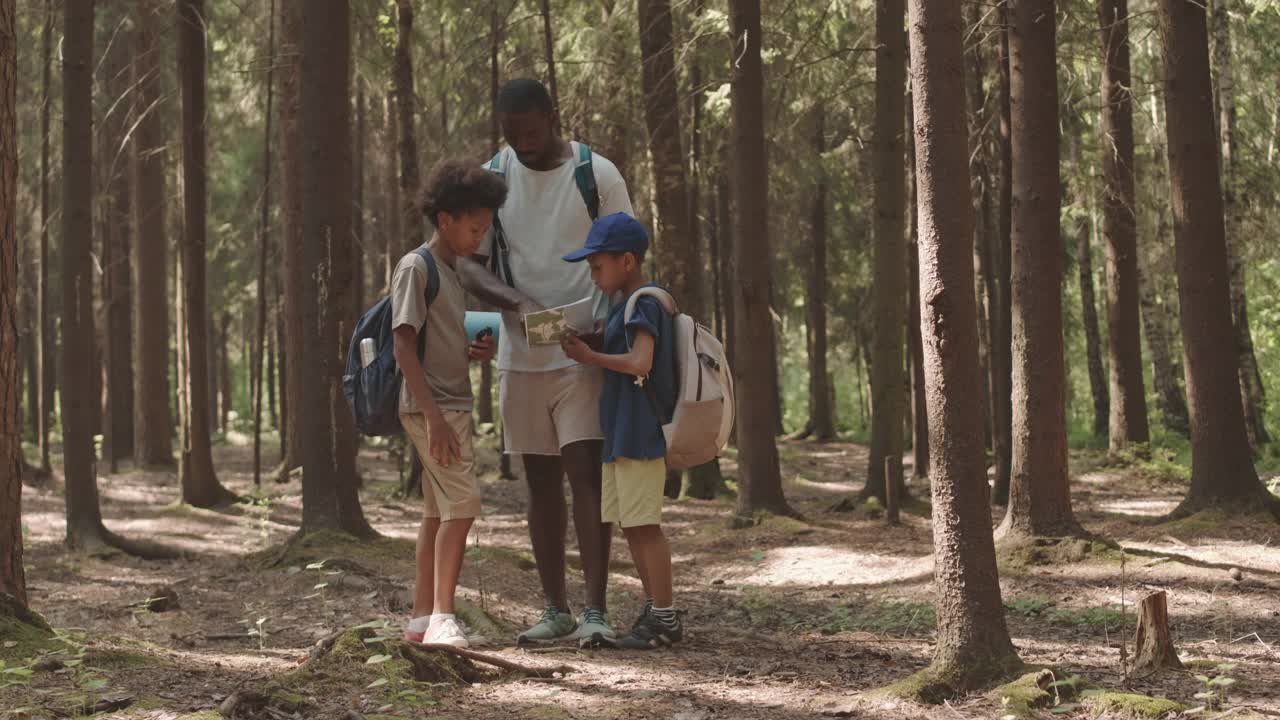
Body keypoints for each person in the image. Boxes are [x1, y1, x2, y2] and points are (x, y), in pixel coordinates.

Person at [458, 78, 635, 647]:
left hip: (583, 348)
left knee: (585, 475)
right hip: (521, 349)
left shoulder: (595, 174)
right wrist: (514, 305)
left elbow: (628, 255)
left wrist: (615, 321)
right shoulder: (494, 178)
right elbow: (470, 264)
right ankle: (554, 607)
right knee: (539, 482)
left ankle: (596, 611)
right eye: (512, 134)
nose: (522, 143)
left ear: (552, 117)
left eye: (531, 132)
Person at [394, 159, 505, 648]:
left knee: (438, 514)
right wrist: (435, 419)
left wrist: (475, 350)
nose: (479, 237)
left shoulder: (454, 272)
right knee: (463, 508)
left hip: (451, 403)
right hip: (430, 408)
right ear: (446, 220)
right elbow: (402, 345)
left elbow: (439, 339)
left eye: (485, 228)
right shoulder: (415, 267)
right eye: (474, 227)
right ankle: (443, 616)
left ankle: (421, 620)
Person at [559, 213, 684, 649]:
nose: (593, 276)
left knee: (645, 525)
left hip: (640, 433)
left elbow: (641, 362)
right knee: (632, 524)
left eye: (598, 267)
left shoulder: (644, 303)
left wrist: (590, 358)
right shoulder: (622, 306)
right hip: (620, 433)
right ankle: (654, 609)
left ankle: (665, 616)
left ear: (627, 260)